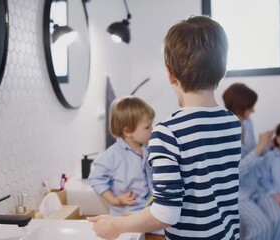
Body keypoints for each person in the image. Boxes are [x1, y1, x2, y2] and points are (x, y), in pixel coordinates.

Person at [88, 15, 242, 239]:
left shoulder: (168, 133)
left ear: (170, 73)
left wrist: (118, 225)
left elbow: (166, 213)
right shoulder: (232, 123)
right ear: (223, 70)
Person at [223, 83, 280, 240]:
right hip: (238, 193)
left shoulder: (247, 122)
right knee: (261, 227)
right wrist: (259, 148)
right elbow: (233, 172)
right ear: (239, 106)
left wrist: (267, 145)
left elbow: (253, 153)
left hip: (257, 187)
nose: (253, 110)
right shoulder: (225, 129)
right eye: (250, 107)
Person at [88, 96, 155, 216]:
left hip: (148, 211)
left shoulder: (148, 149)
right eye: (147, 127)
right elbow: (96, 179)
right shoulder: (112, 155)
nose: (152, 129)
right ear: (128, 131)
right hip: (127, 214)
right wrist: (115, 200)